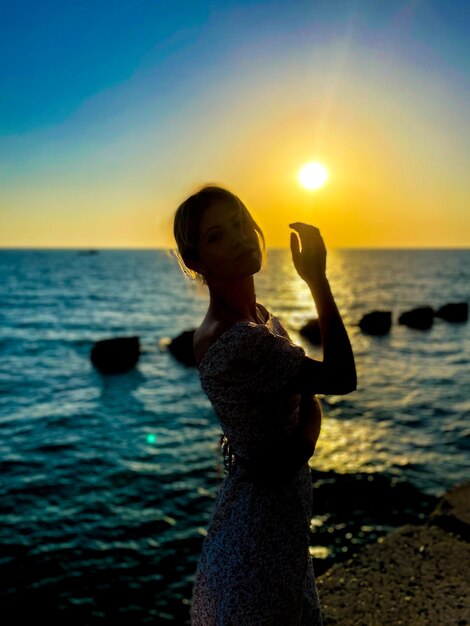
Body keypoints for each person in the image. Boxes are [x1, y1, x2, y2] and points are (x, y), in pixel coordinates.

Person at [172, 185, 357, 625]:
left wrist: (302, 423)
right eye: (217, 236)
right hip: (262, 531)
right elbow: (340, 379)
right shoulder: (238, 339)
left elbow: (304, 394)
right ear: (196, 262)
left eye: (239, 224)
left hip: (266, 510)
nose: (239, 239)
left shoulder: (257, 318)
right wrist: (317, 279)